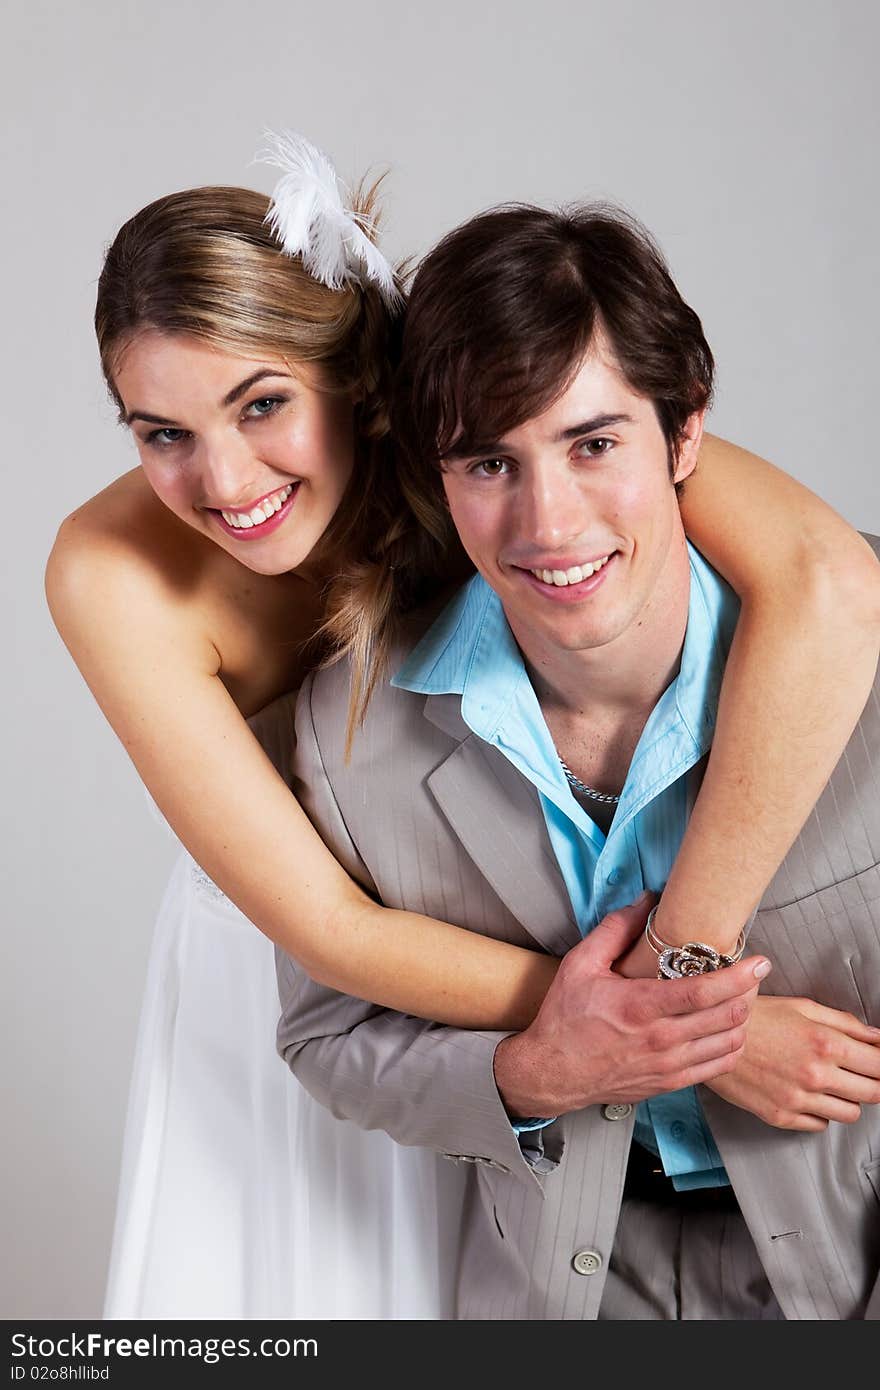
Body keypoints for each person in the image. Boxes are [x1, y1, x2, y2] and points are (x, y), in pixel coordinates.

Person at [45, 136, 880, 1320]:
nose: (224, 480)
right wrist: (672, 1033)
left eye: (263, 403)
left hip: (494, 910)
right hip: (322, 955)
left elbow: (824, 580)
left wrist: (657, 1002)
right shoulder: (107, 571)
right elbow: (334, 933)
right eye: (158, 432)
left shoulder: (493, 429)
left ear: (362, 383)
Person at [276, 198, 880, 1320]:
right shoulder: (344, 728)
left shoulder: (858, 653)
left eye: (593, 443)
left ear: (685, 433)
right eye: (489, 464)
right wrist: (535, 1070)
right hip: (550, 1288)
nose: (548, 522)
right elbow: (329, 1039)